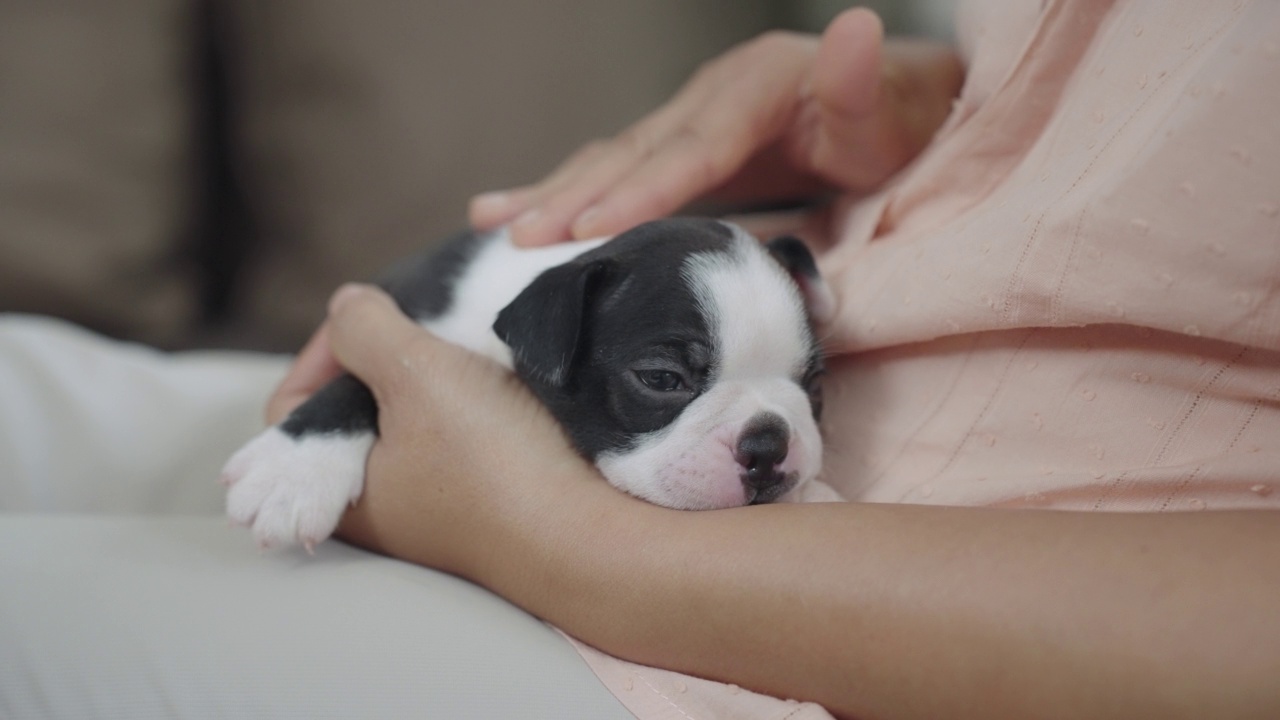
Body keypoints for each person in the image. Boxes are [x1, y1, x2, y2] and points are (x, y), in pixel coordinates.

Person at [265, 2, 1280, 718]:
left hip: (689, 629)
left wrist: (556, 539)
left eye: (802, 388)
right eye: (667, 382)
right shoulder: (524, 302)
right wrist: (961, 120)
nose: (768, 435)